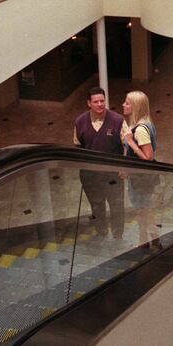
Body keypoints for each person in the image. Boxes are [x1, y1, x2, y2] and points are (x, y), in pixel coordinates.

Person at [73, 86, 127, 238]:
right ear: (89, 103)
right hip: (90, 176)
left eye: (102, 101)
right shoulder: (79, 122)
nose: (100, 104)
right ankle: (101, 232)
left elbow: (127, 146)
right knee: (96, 206)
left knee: (116, 205)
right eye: (96, 101)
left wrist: (124, 167)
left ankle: (118, 235)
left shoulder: (117, 120)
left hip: (113, 175)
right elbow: (78, 147)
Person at [122, 91, 160, 249]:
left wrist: (130, 143)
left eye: (127, 103)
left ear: (136, 106)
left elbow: (148, 158)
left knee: (144, 210)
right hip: (140, 178)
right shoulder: (144, 123)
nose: (124, 105)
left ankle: (156, 240)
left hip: (141, 179)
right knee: (142, 210)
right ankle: (143, 240)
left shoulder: (140, 130)